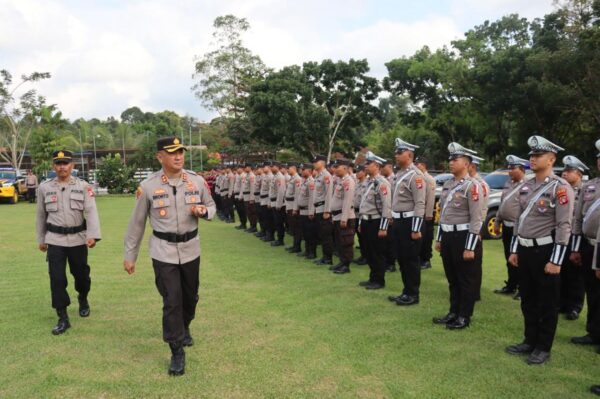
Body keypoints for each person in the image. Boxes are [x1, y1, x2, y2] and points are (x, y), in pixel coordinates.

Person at [123, 136, 216, 376]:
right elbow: (137, 224)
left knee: (190, 298)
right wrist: (130, 255)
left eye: (180, 152)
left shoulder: (196, 181)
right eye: (172, 152)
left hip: (191, 249)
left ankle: (185, 327)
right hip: (163, 251)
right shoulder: (148, 186)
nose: (178, 156)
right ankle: (176, 351)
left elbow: (212, 206)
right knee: (172, 300)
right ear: (159, 156)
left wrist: (204, 211)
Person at [505, 135, 574, 365]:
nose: (532, 159)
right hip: (524, 250)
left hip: (545, 252)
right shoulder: (526, 186)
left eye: (538, 155)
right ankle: (529, 340)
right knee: (528, 300)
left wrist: (556, 260)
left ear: (552, 159)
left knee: (547, 302)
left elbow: (564, 225)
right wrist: (514, 249)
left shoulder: (560, 188)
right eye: (531, 155)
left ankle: (543, 348)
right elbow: (518, 221)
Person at [36, 150, 101, 335]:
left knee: (81, 276)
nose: (62, 167)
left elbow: (91, 211)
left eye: (65, 163)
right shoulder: (45, 188)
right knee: (57, 279)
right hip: (54, 240)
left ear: (72, 165)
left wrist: (93, 235)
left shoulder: (83, 186)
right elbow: (41, 215)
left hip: (78, 239)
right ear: (53, 166)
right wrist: (41, 239)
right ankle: (63, 317)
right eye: (58, 163)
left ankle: (83, 297)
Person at [433, 142, 483, 330]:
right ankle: (453, 312)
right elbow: (444, 213)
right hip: (448, 236)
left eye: (456, 159)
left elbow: (476, 218)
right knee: (452, 278)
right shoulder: (448, 184)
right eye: (450, 159)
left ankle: (464, 316)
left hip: (464, 236)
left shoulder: (473, 186)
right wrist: (439, 238)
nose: (451, 162)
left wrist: (470, 246)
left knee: (466, 279)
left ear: (467, 164)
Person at [387, 138, 426, 306]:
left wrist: (416, 228)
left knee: (410, 260)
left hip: (410, 222)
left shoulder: (416, 176)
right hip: (398, 221)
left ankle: (413, 294)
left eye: (399, 152)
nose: (396, 155)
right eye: (396, 152)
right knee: (402, 259)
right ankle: (406, 291)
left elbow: (420, 203)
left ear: (409, 155)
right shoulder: (399, 175)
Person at [570, 140, 600, 348]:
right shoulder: (590, 186)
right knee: (593, 291)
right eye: (599, 158)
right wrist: (575, 247)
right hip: (588, 245)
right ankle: (593, 332)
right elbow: (578, 219)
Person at [493, 155, 529, 298]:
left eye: (512, 168)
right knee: (508, 256)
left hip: (518, 228)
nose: (509, 170)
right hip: (506, 227)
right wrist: (497, 221)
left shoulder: (527, 186)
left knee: (518, 259)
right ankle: (511, 285)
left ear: (521, 169)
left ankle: (523, 288)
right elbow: (502, 204)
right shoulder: (508, 184)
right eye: (509, 167)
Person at [358, 151, 392, 290]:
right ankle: (372, 277)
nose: (365, 166)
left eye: (368, 164)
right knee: (369, 252)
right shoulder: (367, 182)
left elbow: (386, 206)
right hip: (366, 221)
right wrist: (361, 222)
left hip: (376, 222)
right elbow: (363, 204)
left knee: (377, 253)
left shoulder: (382, 183)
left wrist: (383, 227)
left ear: (377, 165)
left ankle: (379, 280)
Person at [559, 155, 587, 320]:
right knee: (561, 270)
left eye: (569, 171)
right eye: (564, 170)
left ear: (579, 174)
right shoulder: (562, 189)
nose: (565, 174)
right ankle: (562, 303)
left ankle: (575, 306)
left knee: (576, 274)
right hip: (562, 234)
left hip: (577, 237)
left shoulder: (585, 190)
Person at [329, 159, 356, 274]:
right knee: (340, 241)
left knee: (346, 242)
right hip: (337, 216)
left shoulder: (348, 181)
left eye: (338, 167)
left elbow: (347, 201)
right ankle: (341, 262)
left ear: (344, 168)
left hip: (345, 217)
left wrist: (344, 218)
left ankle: (346, 265)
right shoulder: (340, 181)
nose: (335, 169)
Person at [312, 155, 334, 266]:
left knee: (326, 235)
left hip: (323, 208)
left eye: (316, 162)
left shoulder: (326, 176)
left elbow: (329, 194)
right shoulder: (317, 176)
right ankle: (324, 256)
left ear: (322, 163)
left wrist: (327, 210)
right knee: (321, 234)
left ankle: (328, 258)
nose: (314, 164)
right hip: (318, 208)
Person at [415, 157, 435, 270]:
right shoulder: (419, 177)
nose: (416, 166)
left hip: (426, 215)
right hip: (419, 213)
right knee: (419, 238)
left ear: (423, 165)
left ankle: (426, 260)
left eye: (418, 164)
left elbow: (430, 198)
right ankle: (420, 258)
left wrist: (428, 214)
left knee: (426, 238)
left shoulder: (429, 179)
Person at [295, 163, 318, 259]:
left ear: (309, 171)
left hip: (308, 211)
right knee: (305, 233)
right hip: (302, 211)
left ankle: (312, 252)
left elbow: (312, 198)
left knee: (310, 233)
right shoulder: (304, 181)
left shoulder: (311, 182)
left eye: (303, 169)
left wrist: (311, 212)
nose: (301, 171)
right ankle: (307, 250)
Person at [284, 163, 302, 253]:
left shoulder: (297, 179)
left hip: (293, 206)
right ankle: (295, 245)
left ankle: (297, 246)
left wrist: (295, 208)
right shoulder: (292, 178)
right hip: (289, 205)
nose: (287, 170)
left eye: (289, 168)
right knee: (293, 227)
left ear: (294, 168)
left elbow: (297, 195)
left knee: (296, 227)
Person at [353, 164, 368, 265]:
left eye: (359, 171)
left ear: (364, 172)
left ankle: (366, 257)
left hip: (363, 214)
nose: (357, 173)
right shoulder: (357, 184)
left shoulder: (367, 184)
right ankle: (363, 255)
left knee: (364, 237)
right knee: (360, 237)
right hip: (355, 213)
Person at [243, 163, 258, 233]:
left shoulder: (252, 176)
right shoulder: (247, 175)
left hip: (249, 197)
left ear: (249, 167)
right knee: (248, 213)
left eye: (246, 167)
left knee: (252, 213)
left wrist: (252, 198)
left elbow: (252, 188)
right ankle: (251, 226)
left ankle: (254, 227)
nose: (245, 169)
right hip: (246, 196)